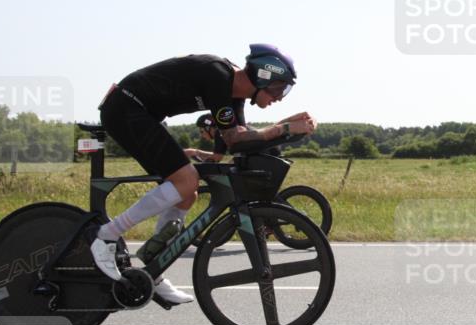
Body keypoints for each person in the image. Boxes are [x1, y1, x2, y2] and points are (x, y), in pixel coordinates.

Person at [92, 44, 317, 305]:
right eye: (280, 88)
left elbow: (241, 140)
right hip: (126, 108)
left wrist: (285, 126)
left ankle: (153, 268)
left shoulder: (233, 95)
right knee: (186, 180)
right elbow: (235, 138)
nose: (281, 96)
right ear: (262, 77)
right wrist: (285, 127)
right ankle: (106, 235)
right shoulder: (217, 76)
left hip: (141, 113)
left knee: (186, 195)